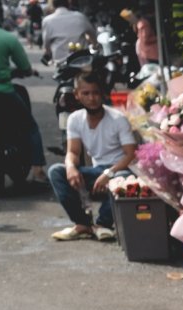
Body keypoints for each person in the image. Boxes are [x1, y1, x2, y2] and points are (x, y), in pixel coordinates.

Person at [47, 71, 133, 239]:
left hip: (117, 171)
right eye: (86, 93)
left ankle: (102, 224)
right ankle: (83, 224)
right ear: (77, 95)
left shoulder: (118, 119)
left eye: (95, 93)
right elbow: (73, 151)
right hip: (94, 173)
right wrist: (71, 166)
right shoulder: (75, 119)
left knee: (124, 177)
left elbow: (130, 155)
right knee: (56, 171)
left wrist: (109, 173)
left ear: (102, 94)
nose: (92, 98)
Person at [0, 14, 40, 193]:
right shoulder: (8, 38)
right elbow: (25, 67)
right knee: (30, 127)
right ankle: (39, 168)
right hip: (4, 93)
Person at [40, 0, 90, 65]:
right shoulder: (80, 16)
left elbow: (46, 44)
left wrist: (48, 53)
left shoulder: (47, 20)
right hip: (83, 59)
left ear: (53, 5)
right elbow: (92, 35)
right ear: (69, 4)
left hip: (61, 61)